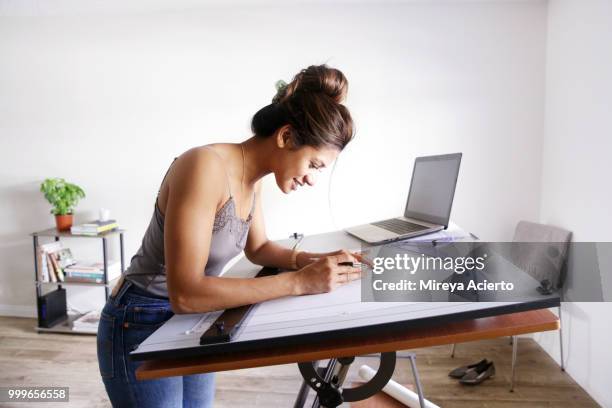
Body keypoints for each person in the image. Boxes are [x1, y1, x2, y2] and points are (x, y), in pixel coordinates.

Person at [97, 64, 361, 407]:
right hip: (140, 320)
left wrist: (308, 262)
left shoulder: (253, 178)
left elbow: (260, 248)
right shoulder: (204, 166)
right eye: (313, 165)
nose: (312, 179)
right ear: (285, 137)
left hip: (192, 319)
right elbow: (186, 293)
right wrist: (299, 282)